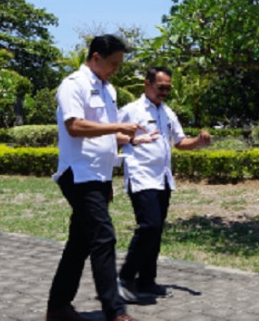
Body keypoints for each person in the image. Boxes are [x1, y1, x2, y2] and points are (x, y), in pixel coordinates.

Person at [45, 35, 153, 321]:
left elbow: (106, 134)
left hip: (99, 175)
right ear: (95, 58)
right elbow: (75, 126)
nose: (116, 69)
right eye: (113, 63)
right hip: (78, 174)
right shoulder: (73, 85)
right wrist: (118, 125)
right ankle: (115, 311)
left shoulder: (109, 90)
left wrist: (132, 140)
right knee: (104, 237)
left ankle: (57, 308)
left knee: (79, 243)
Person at [116, 66, 211, 302]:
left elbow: (179, 142)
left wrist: (199, 141)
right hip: (141, 175)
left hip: (163, 178)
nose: (164, 92)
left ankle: (147, 281)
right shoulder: (131, 110)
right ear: (147, 84)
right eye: (161, 87)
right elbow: (111, 135)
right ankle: (125, 277)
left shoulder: (167, 112)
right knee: (149, 226)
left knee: (156, 231)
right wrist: (134, 139)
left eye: (168, 88)